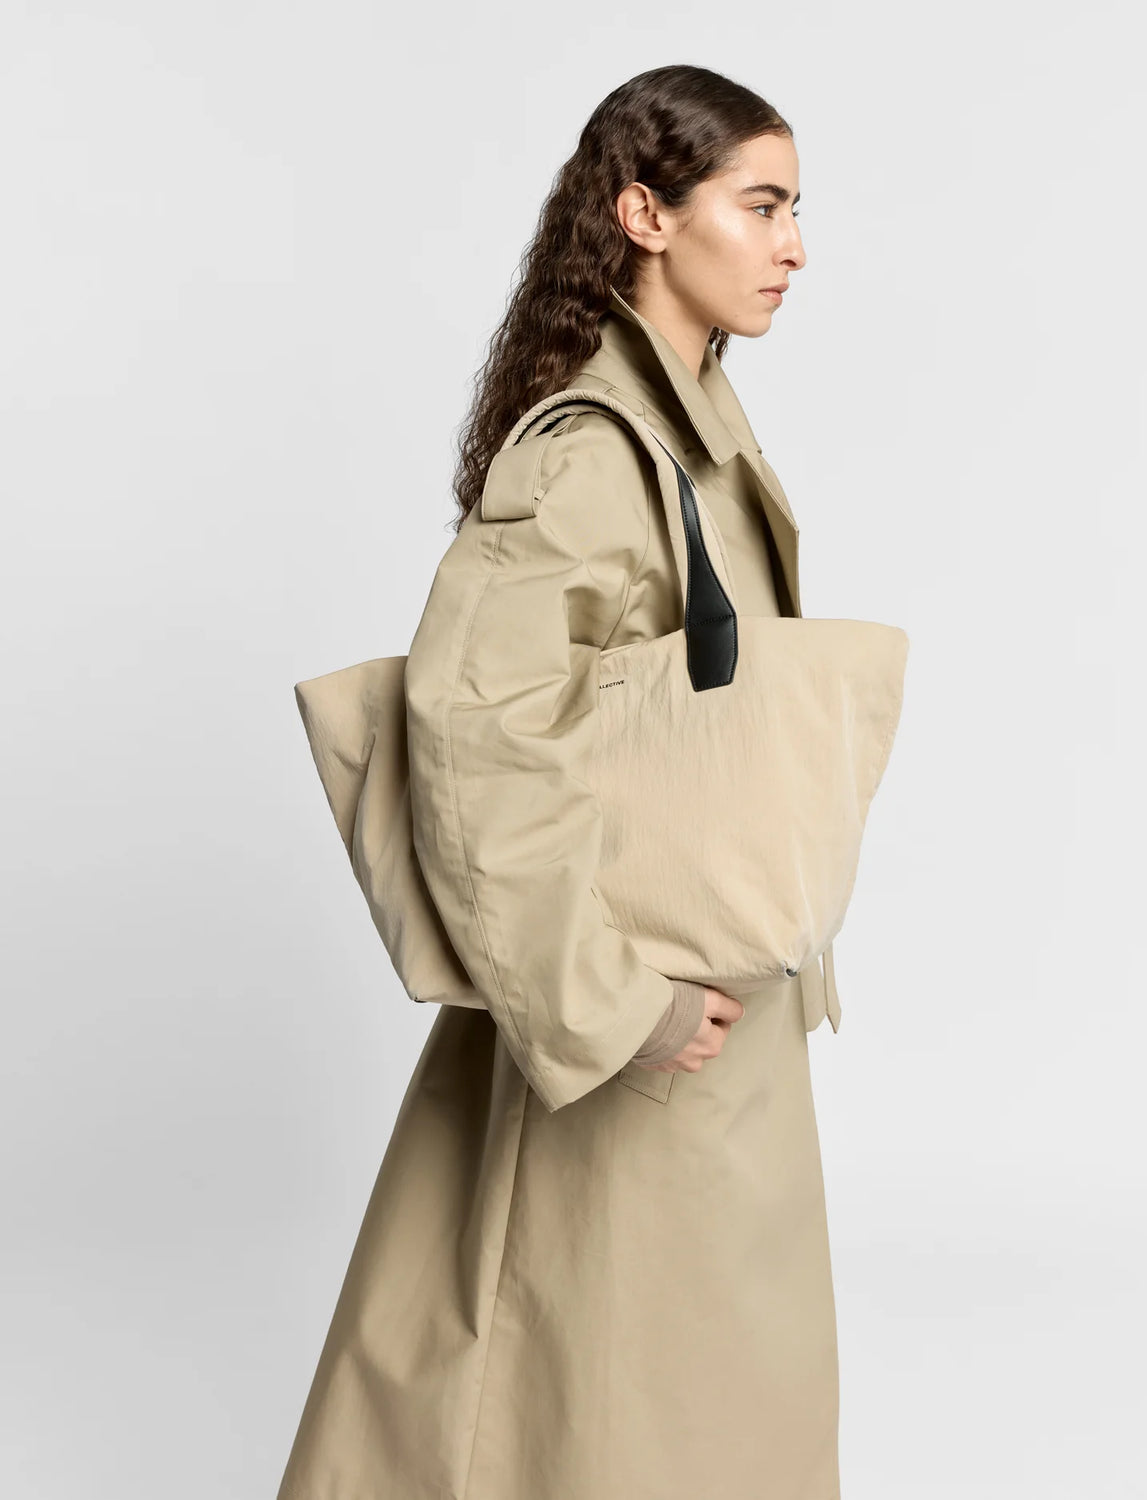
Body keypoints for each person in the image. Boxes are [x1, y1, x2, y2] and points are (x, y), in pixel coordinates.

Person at [277, 63, 843, 1500]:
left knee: (670, 1411)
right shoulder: (595, 457)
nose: (794, 246)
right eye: (762, 205)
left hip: (703, 1027)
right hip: (634, 1035)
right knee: (594, 1412)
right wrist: (615, 1007)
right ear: (646, 213)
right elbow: (474, 745)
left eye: (798, 210)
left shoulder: (694, 439)